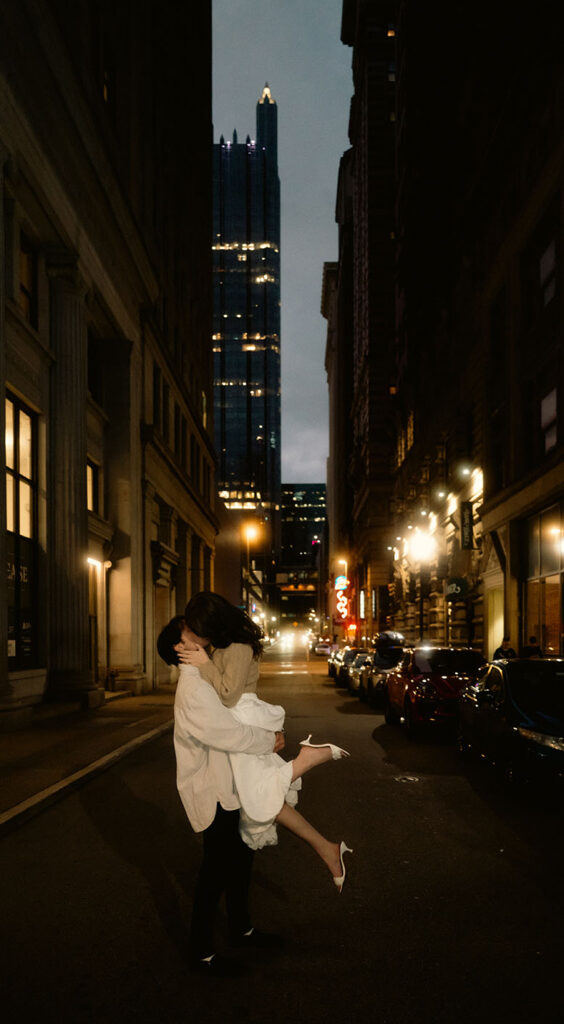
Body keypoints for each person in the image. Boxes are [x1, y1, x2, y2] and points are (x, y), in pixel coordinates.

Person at [158, 611, 351, 975]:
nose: (198, 633)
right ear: (180, 648)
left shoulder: (203, 676)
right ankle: (201, 952)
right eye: (188, 633)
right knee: (215, 870)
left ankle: (242, 929)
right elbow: (226, 733)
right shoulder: (193, 687)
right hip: (212, 791)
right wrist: (268, 741)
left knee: (241, 859)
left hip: (228, 785)